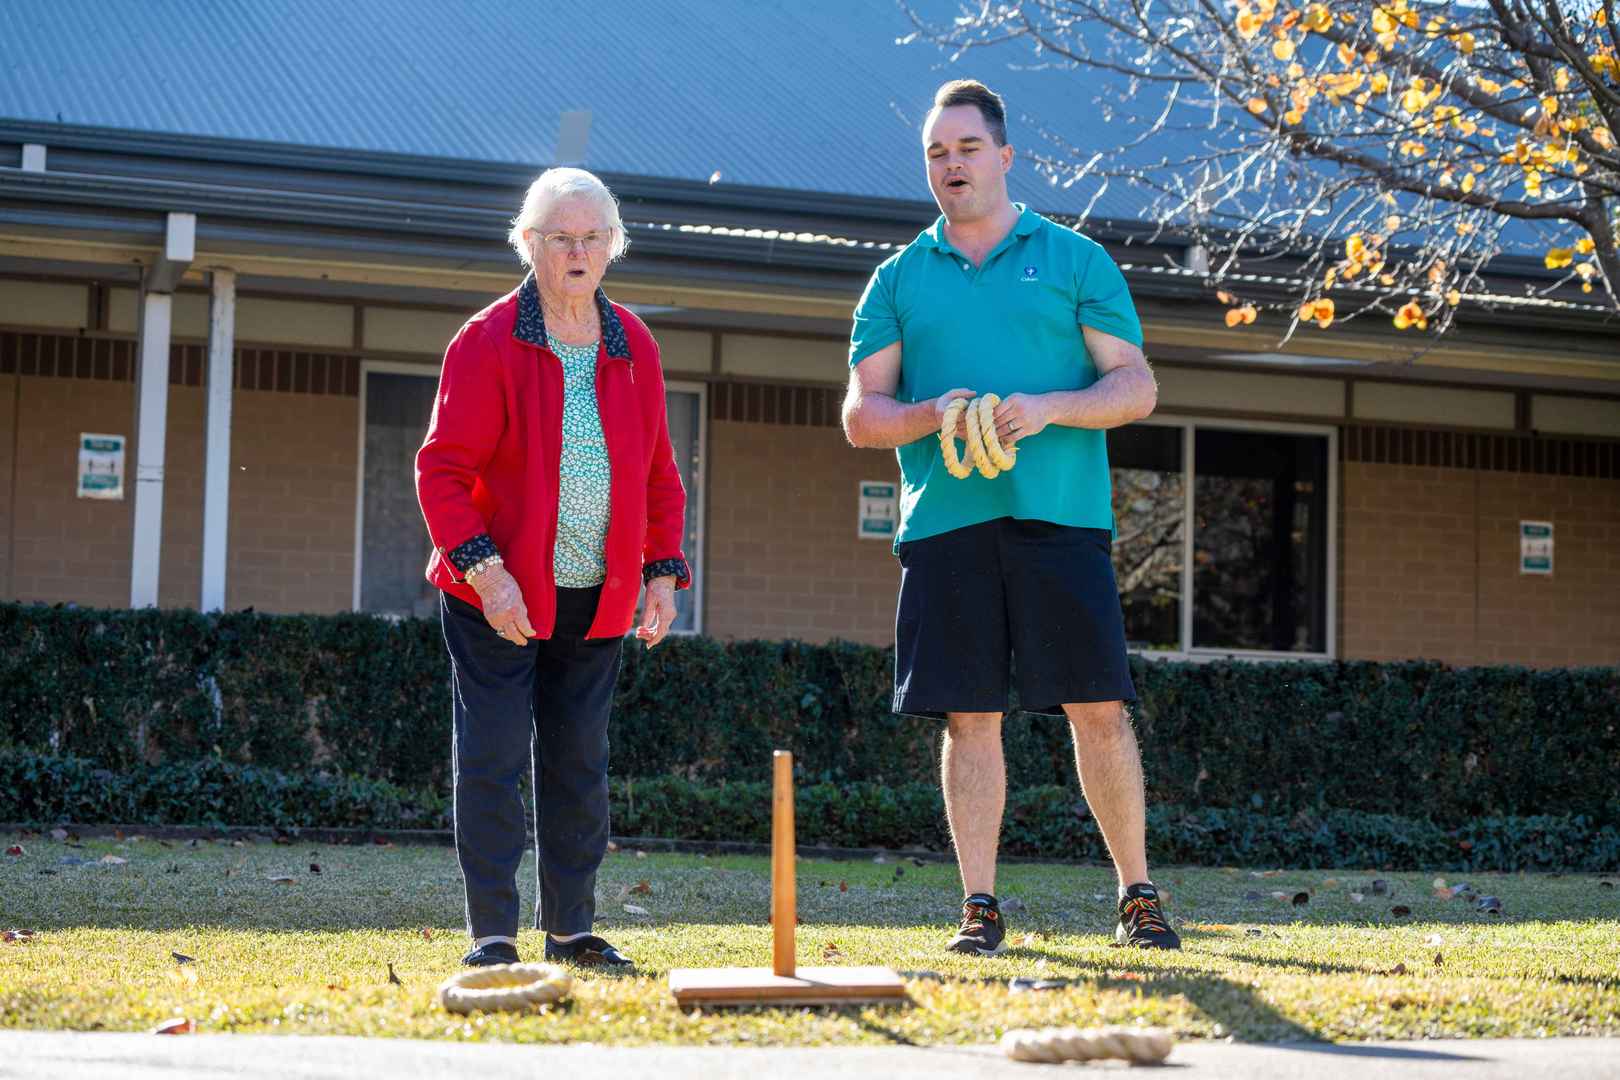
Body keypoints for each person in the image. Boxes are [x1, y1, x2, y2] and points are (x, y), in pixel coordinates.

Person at [841, 80, 1178, 953]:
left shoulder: (1073, 260)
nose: (952, 165)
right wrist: (930, 415)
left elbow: (1135, 387)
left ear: (1004, 156)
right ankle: (980, 907)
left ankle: (1138, 895)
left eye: (967, 148)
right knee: (968, 716)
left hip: (1060, 518)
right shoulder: (897, 278)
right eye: (936, 153)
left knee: (1096, 706)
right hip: (947, 523)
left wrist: (1049, 408)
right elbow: (861, 415)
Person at [416, 167, 690, 969]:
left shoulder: (632, 343)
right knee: (494, 757)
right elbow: (441, 471)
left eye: (591, 237)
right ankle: (493, 935)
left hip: (595, 595)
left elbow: (658, 475)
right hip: (494, 593)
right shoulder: (489, 339)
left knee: (579, 765)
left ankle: (570, 929)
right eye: (559, 237)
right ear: (528, 244)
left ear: (612, 246)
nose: (576, 251)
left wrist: (662, 573)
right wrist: (487, 574)